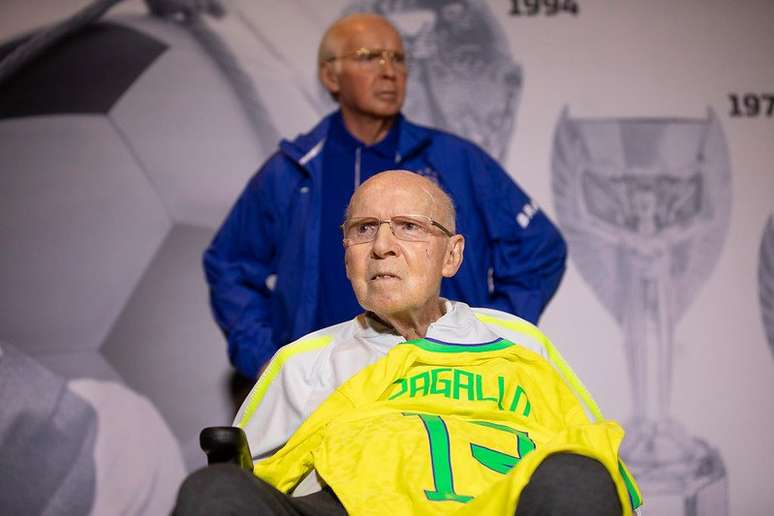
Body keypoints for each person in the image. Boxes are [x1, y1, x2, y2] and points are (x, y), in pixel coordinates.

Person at [175, 171, 641, 515]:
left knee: (576, 476)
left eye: (409, 227)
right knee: (214, 491)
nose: (382, 246)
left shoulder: (518, 342)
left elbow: (599, 469)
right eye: (363, 229)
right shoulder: (304, 363)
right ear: (347, 257)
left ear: (452, 255)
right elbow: (250, 481)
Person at [203, 13, 567, 380]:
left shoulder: (456, 161)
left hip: (437, 386)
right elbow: (230, 265)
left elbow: (539, 251)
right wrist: (265, 360)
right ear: (331, 76)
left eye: (398, 59)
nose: (389, 71)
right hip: (324, 392)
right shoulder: (293, 171)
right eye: (368, 57)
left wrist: (487, 337)